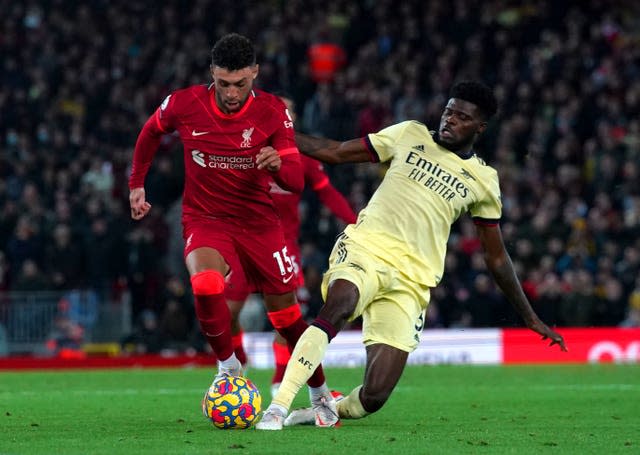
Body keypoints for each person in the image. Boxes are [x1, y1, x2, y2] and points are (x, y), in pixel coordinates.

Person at [256, 80, 567, 430]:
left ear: (479, 127)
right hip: (366, 248)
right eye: (449, 111)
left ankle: (322, 411)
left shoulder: (483, 181)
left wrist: (528, 315)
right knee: (340, 305)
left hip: (412, 280)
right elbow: (337, 151)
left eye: (462, 117)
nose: (450, 120)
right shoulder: (409, 134)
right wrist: (283, 137)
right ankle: (278, 408)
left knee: (374, 396)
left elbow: (496, 257)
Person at [128, 33, 335, 419]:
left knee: (288, 320)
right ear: (212, 74)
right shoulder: (184, 103)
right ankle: (229, 366)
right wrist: (137, 182)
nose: (232, 93)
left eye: (240, 83)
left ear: (254, 73)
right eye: (224, 83)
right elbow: (150, 132)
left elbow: (296, 180)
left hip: (259, 224)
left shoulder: (273, 112)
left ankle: (320, 392)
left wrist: (278, 165)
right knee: (206, 283)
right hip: (206, 219)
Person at [227, 95, 357, 397]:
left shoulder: (302, 157)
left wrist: (355, 221)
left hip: (283, 248)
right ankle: (239, 362)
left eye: (289, 110)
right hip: (242, 244)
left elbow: (328, 194)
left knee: (286, 320)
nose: (284, 114)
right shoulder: (244, 149)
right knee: (226, 312)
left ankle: (280, 379)